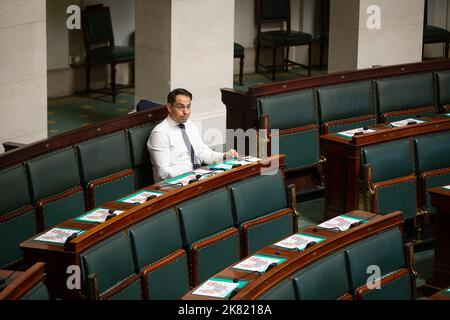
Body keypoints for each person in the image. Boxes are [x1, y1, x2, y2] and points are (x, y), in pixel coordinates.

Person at [147, 88, 239, 182]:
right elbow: (163, 172)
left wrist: (224, 156)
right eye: (180, 107)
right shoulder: (160, 134)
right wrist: (191, 177)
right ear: (169, 107)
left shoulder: (190, 125)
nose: (186, 112)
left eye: (188, 106)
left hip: (197, 177)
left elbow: (203, 153)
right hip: (174, 184)